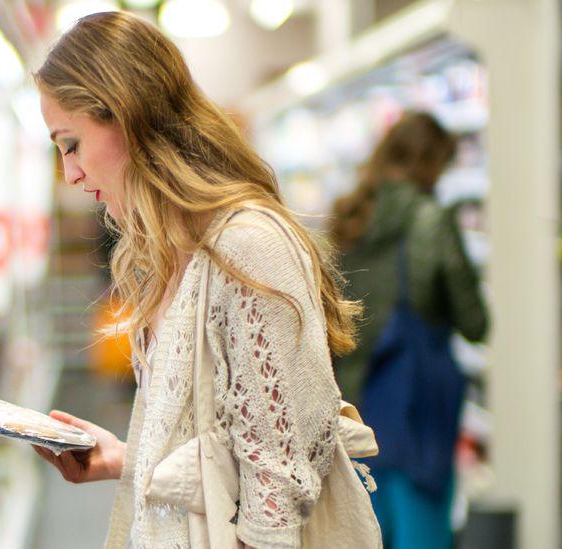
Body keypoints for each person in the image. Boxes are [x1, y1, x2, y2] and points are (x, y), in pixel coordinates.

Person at [31, 11, 380, 549]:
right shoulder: (177, 251)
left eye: (70, 143)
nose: (70, 173)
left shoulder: (247, 246)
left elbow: (277, 485)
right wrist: (127, 459)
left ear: (127, 115)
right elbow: (225, 454)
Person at [331, 112, 489, 548]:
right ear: (431, 162)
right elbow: (475, 323)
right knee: (422, 535)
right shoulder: (430, 220)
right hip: (418, 416)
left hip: (354, 413)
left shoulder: (348, 216)